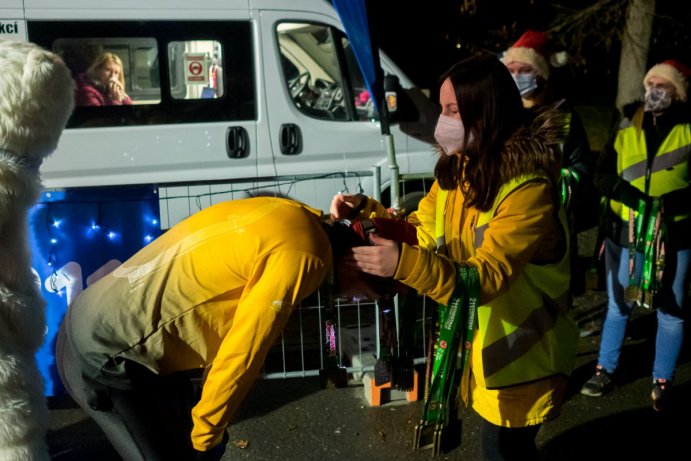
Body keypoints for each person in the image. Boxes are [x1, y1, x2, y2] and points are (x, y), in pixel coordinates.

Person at [330, 54, 579, 460]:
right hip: (481, 354)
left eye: (451, 111)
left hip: (523, 359)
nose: (440, 121)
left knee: (504, 451)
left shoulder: (527, 188)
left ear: (487, 113)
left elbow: (487, 277)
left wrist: (403, 264)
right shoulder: (460, 170)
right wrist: (366, 213)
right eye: (442, 108)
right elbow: (422, 229)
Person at [56, 196, 412, 461]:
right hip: (108, 352)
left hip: (108, 324)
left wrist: (365, 207)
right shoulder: (306, 258)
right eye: (368, 293)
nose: (355, 299)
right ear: (360, 264)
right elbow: (244, 351)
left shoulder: (302, 218)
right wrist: (207, 435)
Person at [580, 59, 691, 411]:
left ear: (679, 92)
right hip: (627, 235)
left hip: (675, 236)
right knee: (620, 303)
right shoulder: (627, 123)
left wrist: (666, 203)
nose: (654, 91)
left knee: (671, 309)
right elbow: (602, 174)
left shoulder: (689, 129)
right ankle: (605, 368)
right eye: (650, 84)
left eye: (664, 86)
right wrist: (626, 196)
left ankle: (662, 377)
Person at [502, 29, 595, 294]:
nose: (516, 76)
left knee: (553, 296)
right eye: (511, 69)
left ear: (540, 74)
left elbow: (582, 167)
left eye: (523, 70)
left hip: (554, 222)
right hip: (508, 223)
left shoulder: (564, 118)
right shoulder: (501, 115)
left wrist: (555, 186)